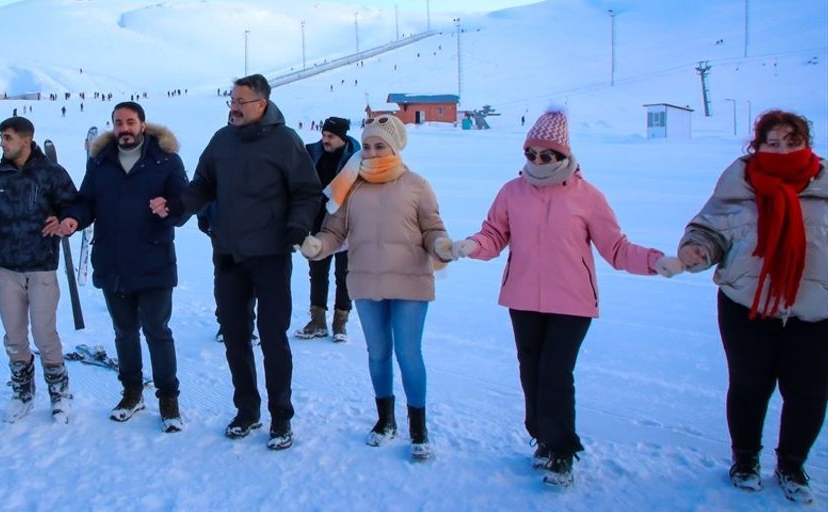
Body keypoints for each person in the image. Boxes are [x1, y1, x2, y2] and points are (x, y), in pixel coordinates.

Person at [449, 108, 674, 487]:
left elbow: (617, 249)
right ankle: (542, 437)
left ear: (564, 156)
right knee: (531, 371)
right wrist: (470, 245)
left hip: (572, 302)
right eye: (531, 154)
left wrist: (658, 262)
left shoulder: (588, 197)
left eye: (546, 155)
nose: (537, 161)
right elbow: (493, 235)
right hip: (522, 298)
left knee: (555, 373)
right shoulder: (512, 191)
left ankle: (562, 451)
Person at [151, 74, 322, 451]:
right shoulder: (222, 140)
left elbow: (308, 192)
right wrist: (179, 205)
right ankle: (247, 411)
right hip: (228, 253)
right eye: (231, 100)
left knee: (274, 339)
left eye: (241, 101)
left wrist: (296, 227)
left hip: (271, 255)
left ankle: (281, 417)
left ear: (261, 104)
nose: (233, 107)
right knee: (235, 337)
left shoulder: (285, 141)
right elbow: (202, 185)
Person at [669, 110, 825, 504]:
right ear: (757, 146)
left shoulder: (824, 186)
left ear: (806, 144)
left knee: (808, 392)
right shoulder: (738, 184)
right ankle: (745, 460)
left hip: (816, 310)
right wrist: (698, 250)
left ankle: (791, 464)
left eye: (792, 141)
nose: (782, 149)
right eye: (773, 142)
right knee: (750, 385)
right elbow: (709, 230)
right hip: (746, 304)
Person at [299, 115, 452, 460]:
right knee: (378, 354)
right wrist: (318, 246)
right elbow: (335, 232)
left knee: (409, 355)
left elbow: (432, 229)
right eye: (367, 146)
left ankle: (418, 428)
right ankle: (385, 421)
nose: (371, 152)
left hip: (410, 282)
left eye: (379, 145)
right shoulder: (351, 187)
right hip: (366, 281)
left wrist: (441, 245)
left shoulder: (416, 185)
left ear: (395, 147)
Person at [52, 102, 189, 432]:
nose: (124, 128)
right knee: (124, 332)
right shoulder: (101, 161)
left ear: (143, 124)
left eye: (130, 122)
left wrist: (169, 207)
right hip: (112, 261)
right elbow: (87, 201)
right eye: (118, 123)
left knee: (157, 331)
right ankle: (131, 392)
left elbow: (185, 203)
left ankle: (168, 398)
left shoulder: (165, 159)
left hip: (153, 260)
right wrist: (74, 218)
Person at [0, 117, 78, 424]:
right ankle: (22, 391)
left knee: (45, 334)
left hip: (41, 266)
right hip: (7, 267)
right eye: (2, 137)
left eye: (7, 138)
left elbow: (75, 205)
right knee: (15, 336)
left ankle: (59, 393)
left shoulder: (51, 174)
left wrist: (65, 220)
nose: (2, 143)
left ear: (26, 140)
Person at [295, 116, 360, 342]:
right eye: (323, 135)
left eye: (330, 136)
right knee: (317, 273)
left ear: (342, 138)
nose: (325, 140)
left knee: (345, 274)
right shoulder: (312, 153)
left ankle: (340, 323)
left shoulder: (357, 159)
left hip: (346, 226)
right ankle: (318, 320)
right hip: (317, 224)